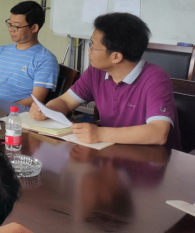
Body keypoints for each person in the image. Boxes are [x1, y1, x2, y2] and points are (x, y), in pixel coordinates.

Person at [30, 13, 181, 149]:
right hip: (110, 152)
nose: (89, 50)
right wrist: (46, 111)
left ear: (116, 57)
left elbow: (158, 133)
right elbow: (65, 101)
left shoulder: (156, 78)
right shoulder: (96, 71)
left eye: (93, 46)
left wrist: (100, 134)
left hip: (151, 158)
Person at [0, 1, 59, 106]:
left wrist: (4, 111)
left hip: (12, 113)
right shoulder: (1, 51)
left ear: (34, 28)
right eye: (10, 24)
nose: (11, 29)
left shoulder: (46, 59)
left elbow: (35, 100)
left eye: (16, 26)